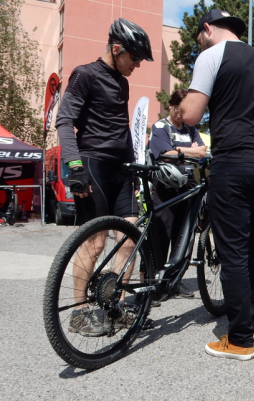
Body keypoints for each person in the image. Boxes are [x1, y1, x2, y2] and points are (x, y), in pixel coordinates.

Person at [180, 10, 254, 361]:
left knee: (233, 252)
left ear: (207, 28)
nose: (200, 44)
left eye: (199, 37)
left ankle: (238, 340)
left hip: (235, 162)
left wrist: (180, 107)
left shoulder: (211, 55)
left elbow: (191, 114)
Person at [55, 18, 154, 336]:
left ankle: (116, 309)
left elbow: (120, 129)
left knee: (127, 240)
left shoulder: (122, 83)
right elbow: (64, 121)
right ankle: (79, 313)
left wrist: (135, 169)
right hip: (92, 166)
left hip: (121, 170)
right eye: (135, 58)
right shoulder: (85, 74)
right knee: (95, 244)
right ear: (116, 49)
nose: (137, 65)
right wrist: (73, 168)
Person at [148, 89, 206, 301]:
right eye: (179, 109)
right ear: (171, 106)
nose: (182, 114)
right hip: (165, 186)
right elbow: (163, 153)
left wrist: (177, 151)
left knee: (184, 235)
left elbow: (202, 151)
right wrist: (185, 151)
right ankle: (155, 284)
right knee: (161, 235)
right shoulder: (161, 127)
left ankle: (175, 281)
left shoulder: (191, 129)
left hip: (188, 185)